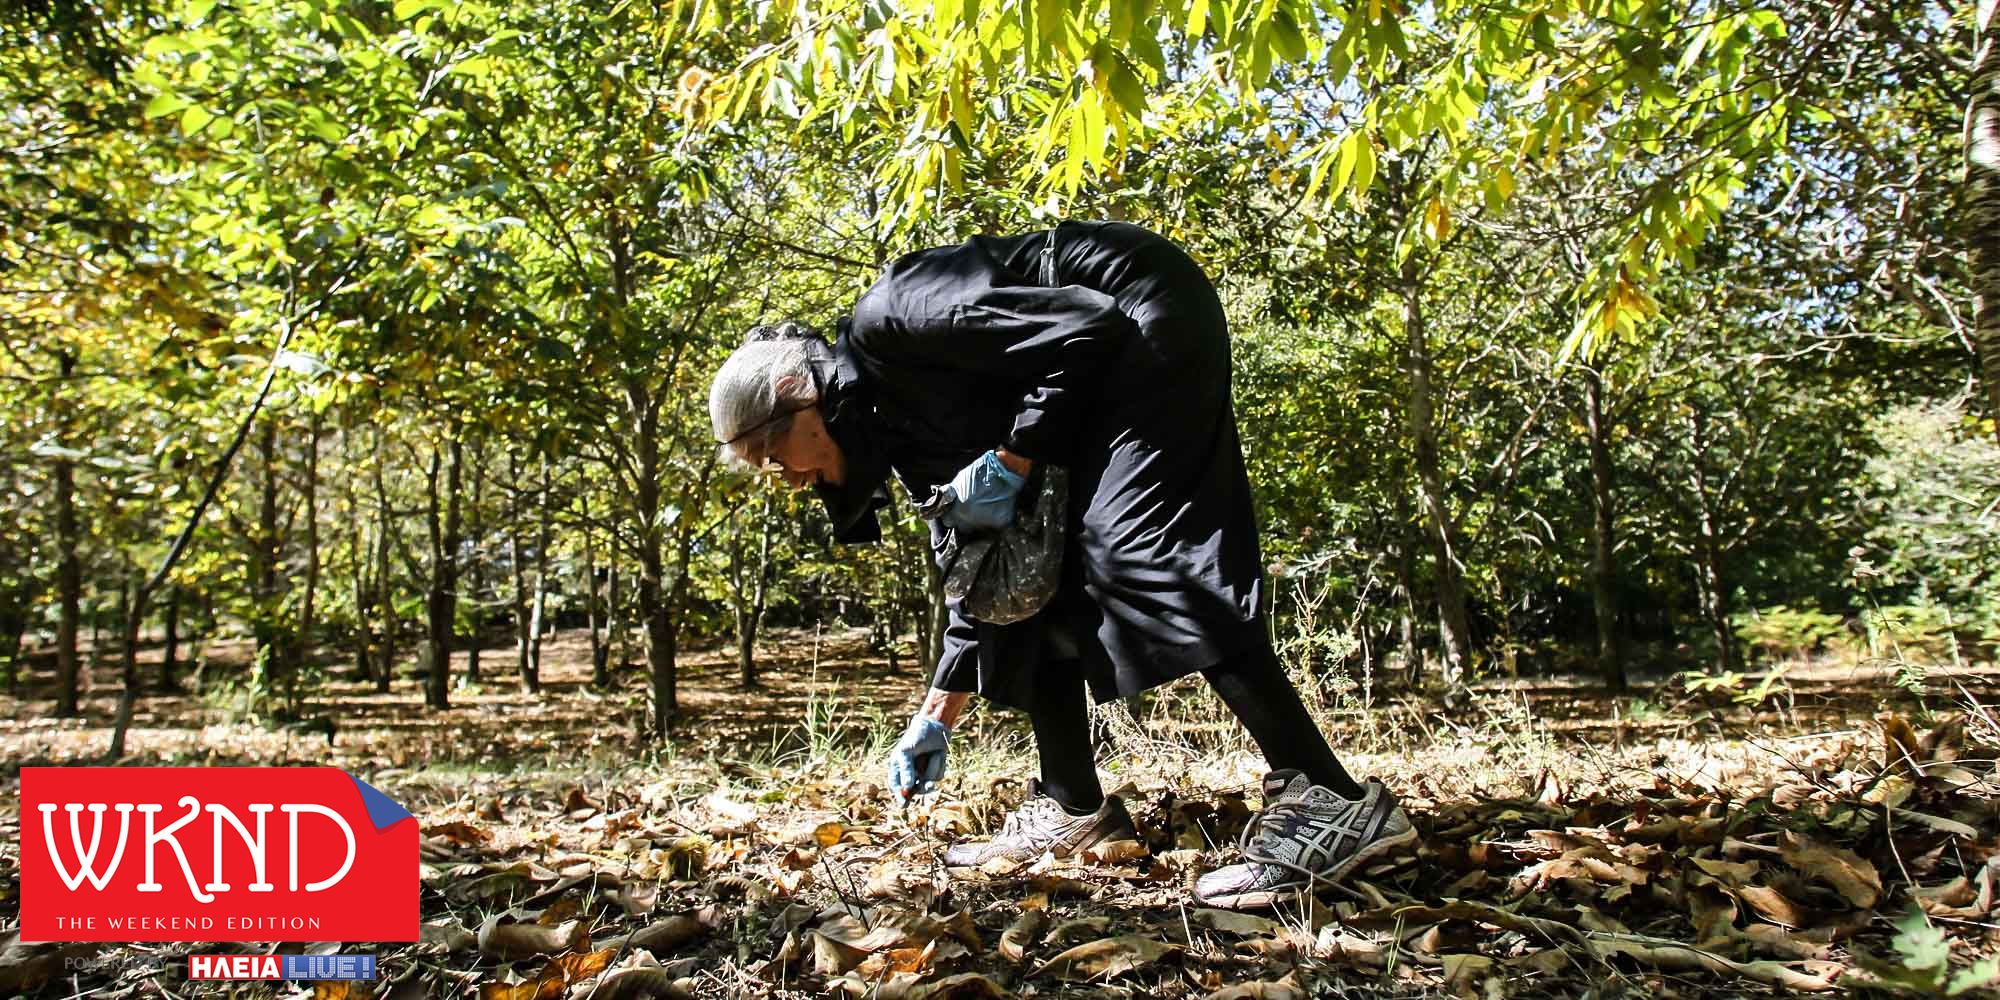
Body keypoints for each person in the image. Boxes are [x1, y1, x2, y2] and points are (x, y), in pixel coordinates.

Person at [706, 220, 1415, 909]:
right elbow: (984, 567)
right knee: (1031, 571)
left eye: (773, 458)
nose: (789, 479)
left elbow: (1087, 324)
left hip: (1142, 308)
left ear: (800, 398)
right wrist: (937, 714)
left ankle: (1333, 800)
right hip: (1097, 366)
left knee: (1135, 553)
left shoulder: (893, 317)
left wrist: (1013, 458)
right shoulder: (892, 426)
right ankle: (1072, 801)